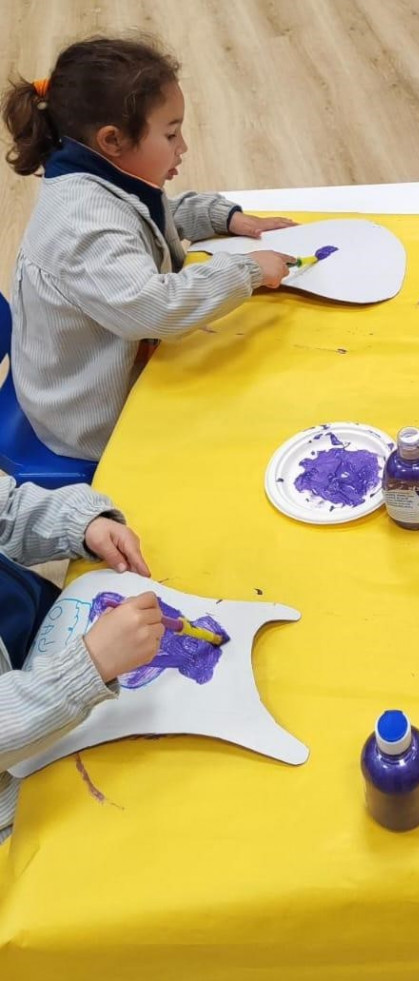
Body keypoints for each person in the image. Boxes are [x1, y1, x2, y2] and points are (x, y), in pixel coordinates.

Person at [1, 35, 296, 461]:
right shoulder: (84, 224)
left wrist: (220, 217)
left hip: (108, 364)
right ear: (112, 140)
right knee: (254, 419)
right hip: (88, 418)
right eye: (171, 134)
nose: (184, 147)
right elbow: (155, 307)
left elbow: (150, 222)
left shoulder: (103, 180)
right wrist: (246, 271)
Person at [0, 477, 163, 842]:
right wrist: (85, 667)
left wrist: (81, 524)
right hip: (22, 791)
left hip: (56, 643)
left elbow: (8, 511)